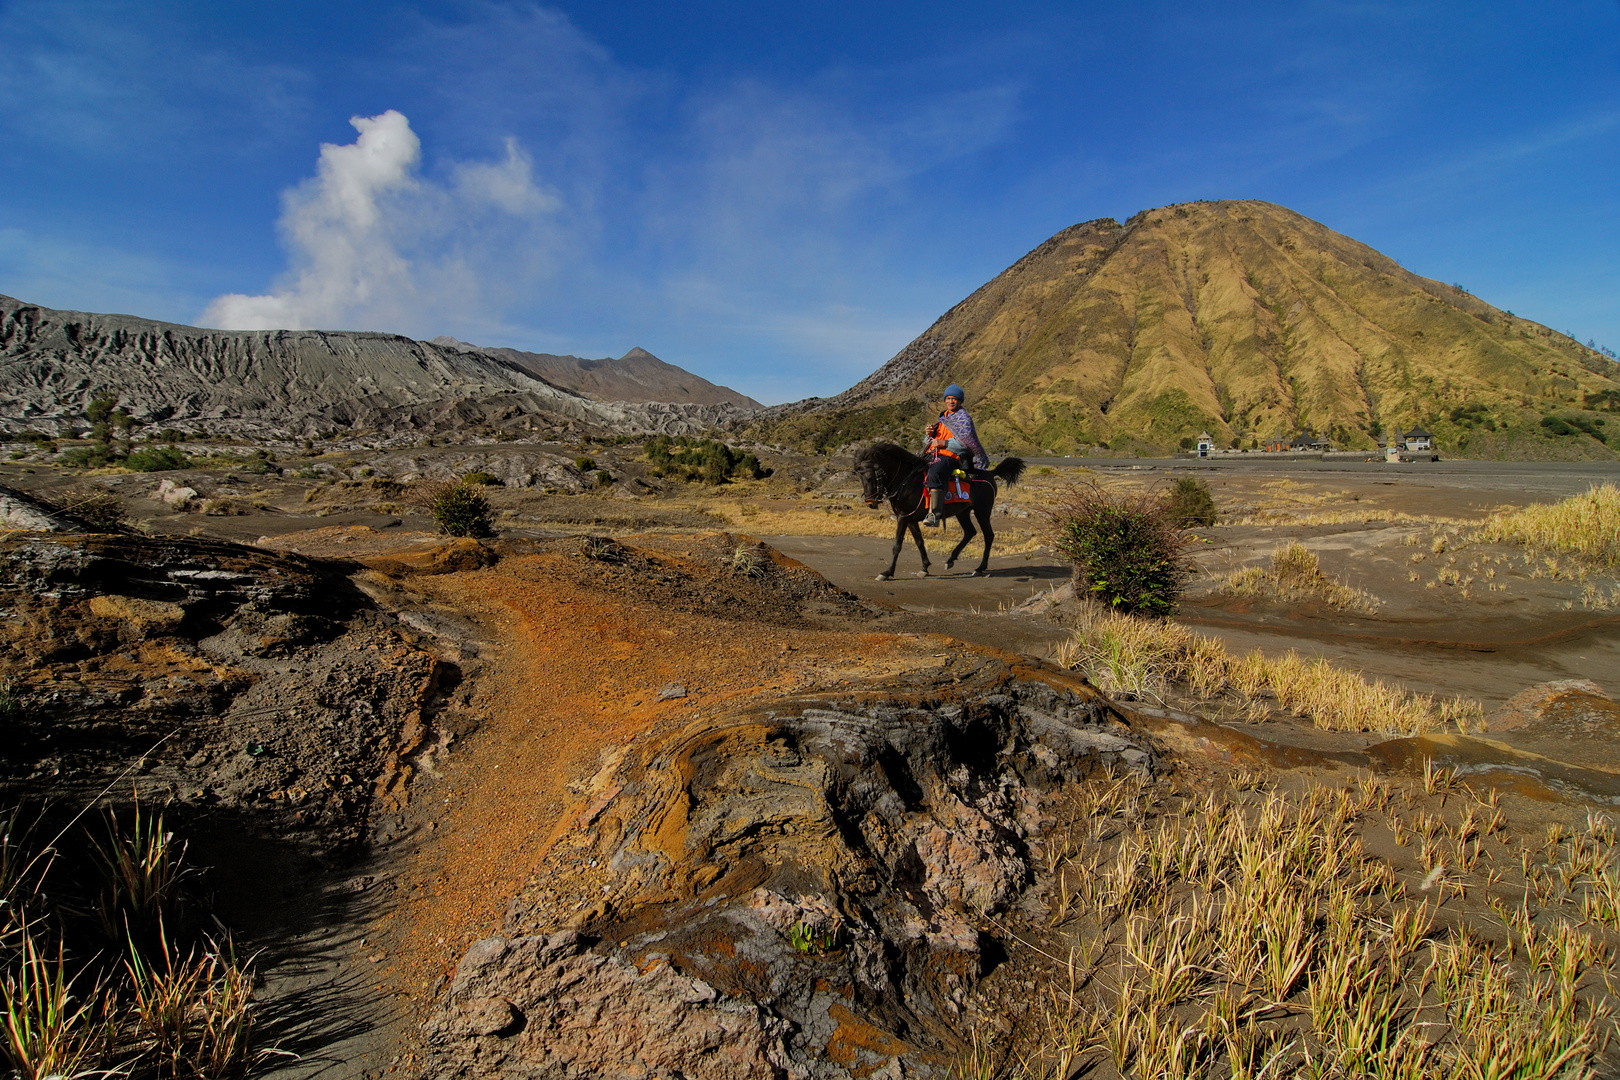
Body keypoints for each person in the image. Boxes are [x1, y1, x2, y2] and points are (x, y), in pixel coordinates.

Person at [922, 384, 988, 526]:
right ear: (945, 400)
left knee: (935, 472)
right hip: (934, 455)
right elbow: (931, 442)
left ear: (960, 401)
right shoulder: (942, 418)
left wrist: (944, 443)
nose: (951, 401)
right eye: (949, 398)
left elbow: (966, 445)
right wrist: (929, 435)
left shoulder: (963, 419)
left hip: (952, 457)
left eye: (954, 399)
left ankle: (935, 514)